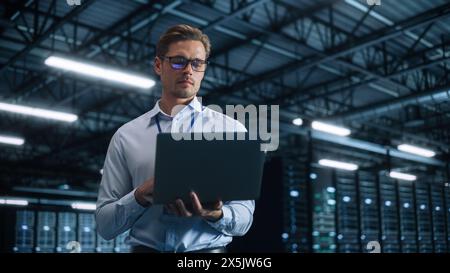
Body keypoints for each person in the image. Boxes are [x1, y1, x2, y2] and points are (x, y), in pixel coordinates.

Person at [95, 24, 254, 253]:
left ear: (203, 70)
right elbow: (104, 225)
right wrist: (139, 196)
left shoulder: (233, 131)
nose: (188, 70)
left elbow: (244, 218)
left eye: (197, 63)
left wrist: (216, 214)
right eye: (179, 61)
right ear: (159, 65)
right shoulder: (126, 136)